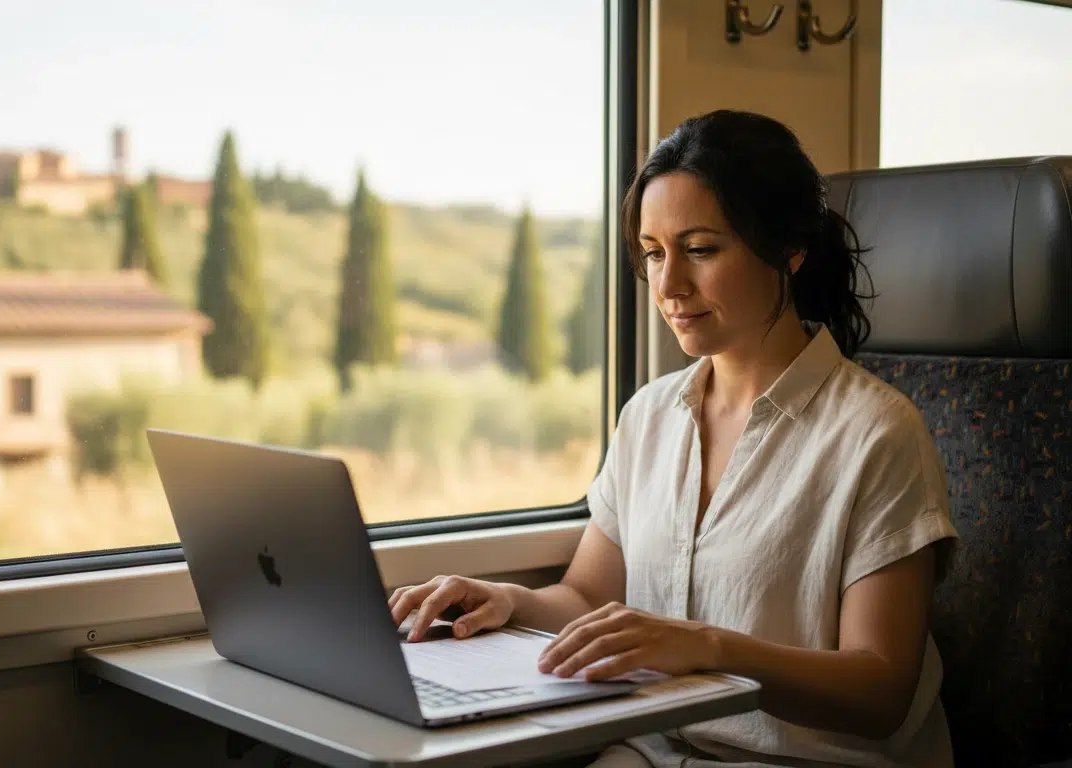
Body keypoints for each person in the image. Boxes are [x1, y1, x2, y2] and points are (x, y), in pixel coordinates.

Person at [388, 110, 959, 768]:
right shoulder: (650, 416)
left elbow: (880, 689)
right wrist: (506, 601)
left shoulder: (877, 433)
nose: (668, 286)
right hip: (656, 753)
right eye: (655, 254)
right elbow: (589, 598)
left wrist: (708, 647)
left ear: (789, 248)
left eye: (700, 250)